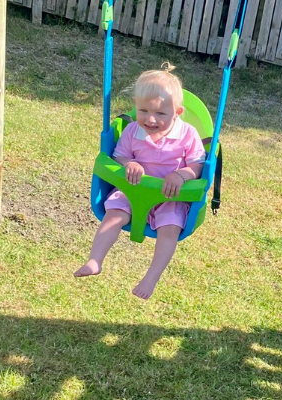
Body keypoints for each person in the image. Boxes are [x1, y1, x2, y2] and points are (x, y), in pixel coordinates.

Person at [74, 63, 206, 300]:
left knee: (170, 230)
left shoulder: (188, 134)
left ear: (178, 112)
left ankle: (151, 277)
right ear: (136, 105)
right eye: (143, 111)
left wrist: (181, 175)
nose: (150, 119)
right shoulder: (132, 131)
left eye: (160, 114)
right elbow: (120, 155)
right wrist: (129, 164)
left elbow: (198, 166)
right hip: (133, 190)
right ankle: (95, 260)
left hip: (170, 196)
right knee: (113, 215)